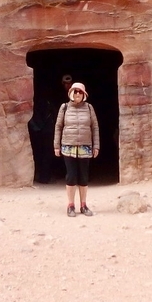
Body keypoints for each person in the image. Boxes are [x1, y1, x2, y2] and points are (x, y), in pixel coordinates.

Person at [54, 82, 99, 217]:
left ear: (84, 94)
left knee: (84, 177)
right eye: (75, 91)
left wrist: (96, 146)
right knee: (71, 176)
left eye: (80, 92)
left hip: (85, 147)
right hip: (69, 146)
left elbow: (95, 128)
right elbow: (58, 126)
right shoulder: (65, 107)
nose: (77, 94)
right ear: (71, 93)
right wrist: (56, 146)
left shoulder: (89, 108)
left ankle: (84, 205)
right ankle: (71, 205)